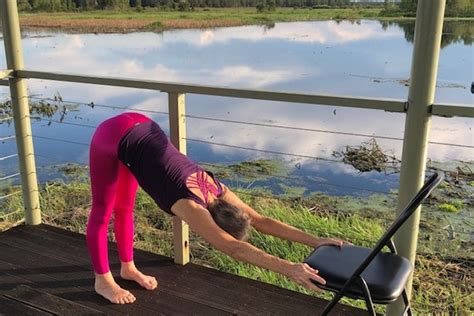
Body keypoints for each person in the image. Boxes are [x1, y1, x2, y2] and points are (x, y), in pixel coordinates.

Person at [86, 112, 346, 304]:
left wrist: (316, 240)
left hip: (141, 125)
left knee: (125, 209)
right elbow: (233, 247)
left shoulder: (216, 189)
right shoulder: (189, 205)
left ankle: (128, 268)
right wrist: (289, 268)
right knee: (102, 211)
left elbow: (261, 220)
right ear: (213, 224)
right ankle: (103, 281)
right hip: (111, 137)